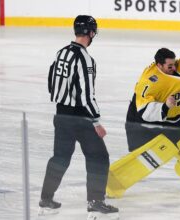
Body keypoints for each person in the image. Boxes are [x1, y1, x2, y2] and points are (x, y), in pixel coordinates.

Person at [106, 48, 180, 198]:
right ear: (159, 65)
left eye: (174, 64)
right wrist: (165, 107)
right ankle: (112, 182)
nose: (174, 68)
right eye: (169, 66)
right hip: (146, 123)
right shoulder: (151, 81)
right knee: (160, 151)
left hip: (177, 119)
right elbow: (144, 111)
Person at [39, 15, 118, 218]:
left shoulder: (61, 52)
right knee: (99, 157)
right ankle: (95, 202)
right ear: (91, 33)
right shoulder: (85, 58)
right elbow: (86, 95)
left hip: (61, 114)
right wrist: (96, 121)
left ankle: (46, 198)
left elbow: (51, 82)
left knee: (60, 158)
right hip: (80, 118)